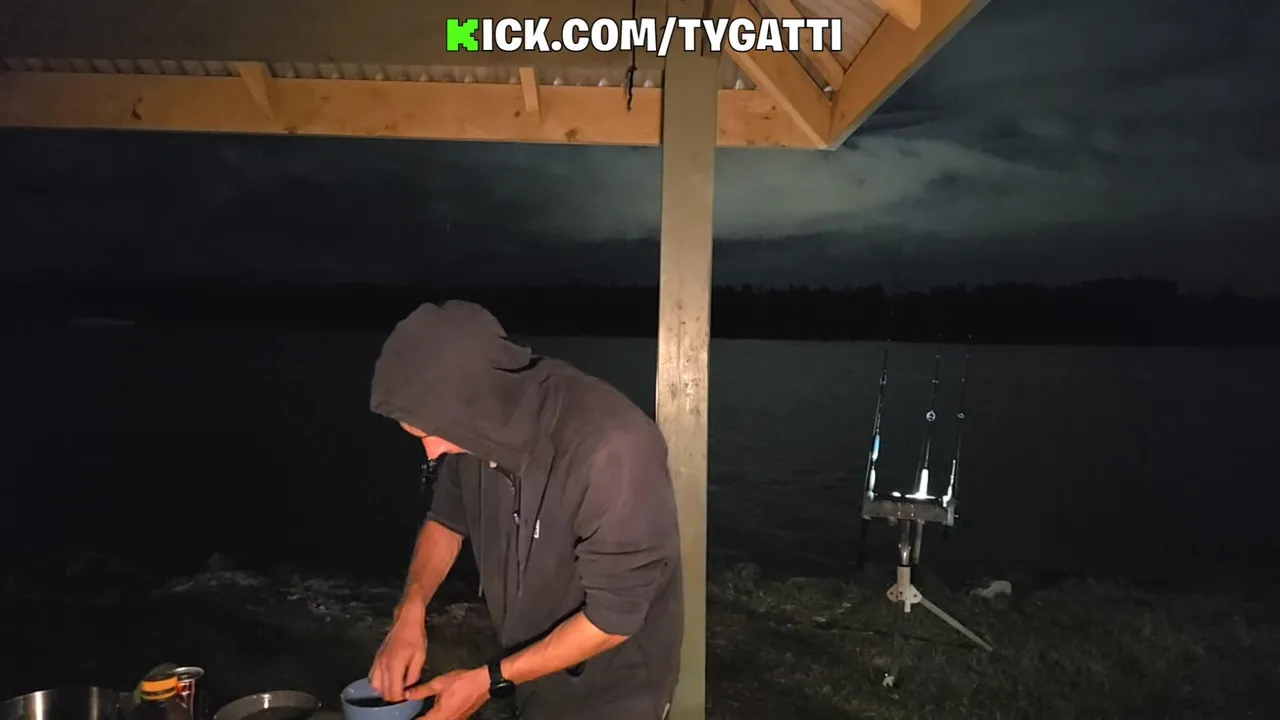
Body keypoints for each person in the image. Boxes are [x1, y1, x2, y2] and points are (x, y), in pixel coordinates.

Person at [366, 300, 683, 720]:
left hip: (617, 690)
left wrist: (489, 680)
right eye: (418, 436)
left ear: (474, 400)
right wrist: (410, 610)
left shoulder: (614, 450)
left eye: (433, 434)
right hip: (530, 670)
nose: (431, 452)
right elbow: (446, 521)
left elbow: (614, 619)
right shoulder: (468, 427)